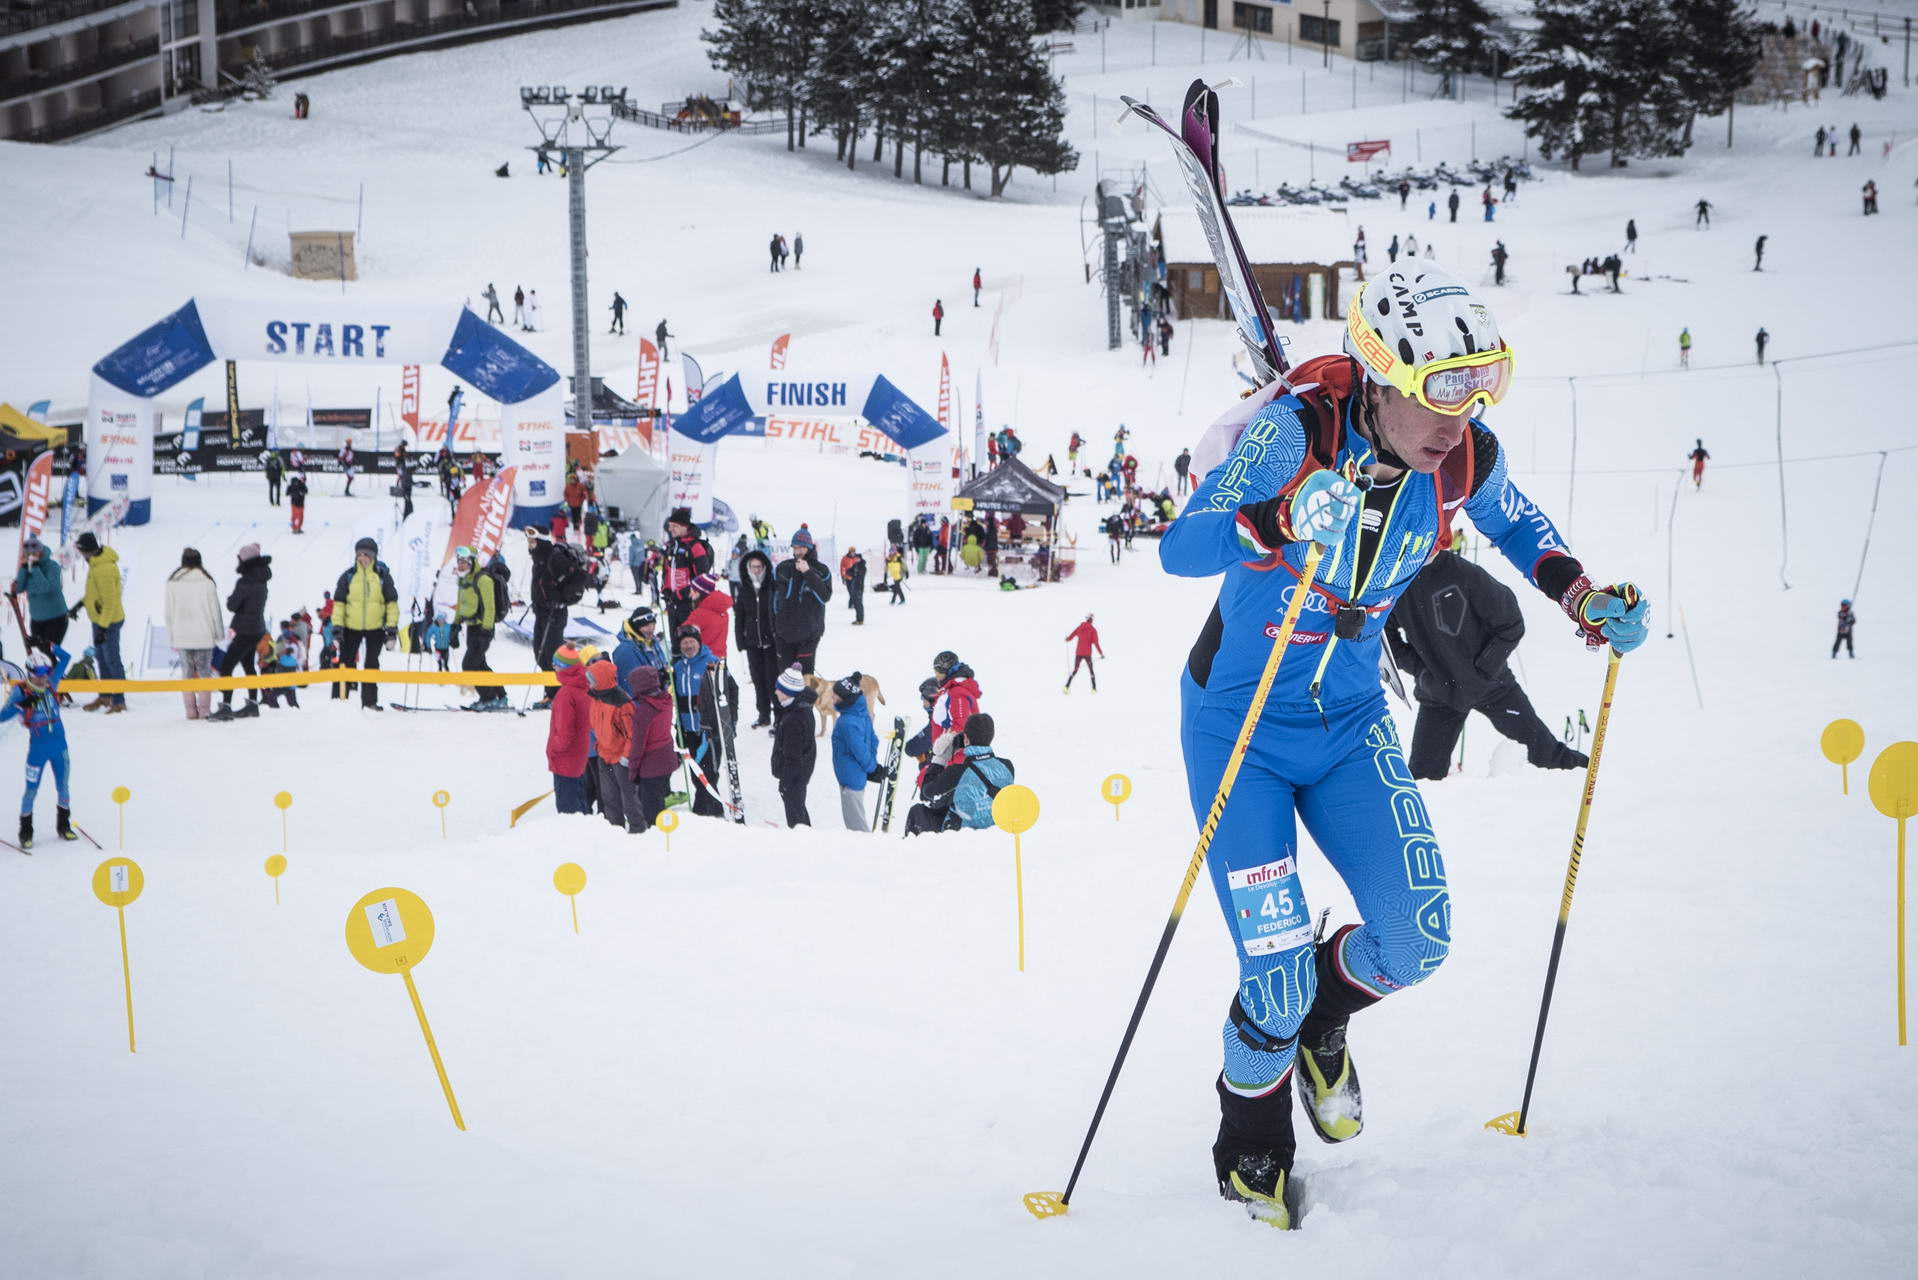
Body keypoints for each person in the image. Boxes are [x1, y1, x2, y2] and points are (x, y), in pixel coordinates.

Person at [1159, 258, 1647, 1227]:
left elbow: (1519, 526)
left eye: (1479, 388)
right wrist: (1276, 517)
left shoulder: (1459, 459)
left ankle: (1320, 1022)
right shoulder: (1295, 430)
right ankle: (1250, 1133)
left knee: (1414, 938)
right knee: (1273, 968)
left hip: (1346, 725)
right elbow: (1183, 544)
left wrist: (1583, 597)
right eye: (1436, 392)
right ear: (1379, 377)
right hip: (1240, 727)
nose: (1455, 418)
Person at [1385, 549, 1589, 780]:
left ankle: (1596, 780)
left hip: (1493, 686)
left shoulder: (1463, 573)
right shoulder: (1396, 584)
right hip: (1439, 695)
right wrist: (1424, 672)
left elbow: (1511, 623)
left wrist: (1483, 669)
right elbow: (1386, 639)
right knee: (1422, 779)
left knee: (1547, 756)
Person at [2, 646, 75, 848]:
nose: (43, 678)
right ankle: (26, 832)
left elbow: (66, 657)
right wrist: (23, 704)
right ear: (30, 673)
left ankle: (64, 826)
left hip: (60, 747)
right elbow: (2, 716)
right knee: (31, 790)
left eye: (46, 673)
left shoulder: (52, 683)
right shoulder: (20, 691)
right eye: (38, 674)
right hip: (38, 749)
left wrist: (49, 645)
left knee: (63, 787)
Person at [905, 713, 1013, 835]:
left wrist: (939, 760)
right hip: (994, 831)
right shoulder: (1007, 767)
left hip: (963, 838)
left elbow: (928, 797)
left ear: (965, 739)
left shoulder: (957, 773)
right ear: (991, 736)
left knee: (917, 811)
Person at [331, 536, 398, 712]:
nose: (363, 558)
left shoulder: (382, 576)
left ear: (373, 556)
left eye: (367, 554)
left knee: (371, 663)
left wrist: (391, 629)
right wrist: (337, 627)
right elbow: (339, 604)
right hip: (351, 627)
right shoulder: (348, 576)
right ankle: (338, 698)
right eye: (360, 554)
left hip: (375, 628)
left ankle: (369, 702)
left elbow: (391, 604)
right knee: (344, 662)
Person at [671, 624, 725, 818]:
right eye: (684, 643)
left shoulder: (711, 662)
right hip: (688, 729)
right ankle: (715, 810)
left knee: (709, 773)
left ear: (699, 643)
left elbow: (727, 691)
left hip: (707, 729)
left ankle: (703, 812)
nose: (688, 646)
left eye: (692, 642)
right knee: (696, 773)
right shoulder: (677, 667)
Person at [163, 547, 223, 721]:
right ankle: (204, 710)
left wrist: (171, 637)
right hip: (204, 636)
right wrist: (218, 634)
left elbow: (168, 613)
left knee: (187, 674)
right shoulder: (207, 582)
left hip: (181, 636)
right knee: (205, 673)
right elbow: (215, 611)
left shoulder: (172, 583)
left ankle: (190, 711)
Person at [71, 533, 127, 713]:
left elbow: (110, 602)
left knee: (112, 660)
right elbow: (95, 594)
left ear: (86, 550)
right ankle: (105, 695)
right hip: (100, 620)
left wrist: (102, 628)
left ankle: (119, 700)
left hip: (109, 622)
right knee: (102, 659)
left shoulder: (104, 569)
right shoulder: (95, 564)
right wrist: (80, 604)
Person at [585, 655, 639, 830]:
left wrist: (626, 756)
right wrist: (598, 747)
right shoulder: (595, 698)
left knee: (629, 798)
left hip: (620, 758)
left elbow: (633, 733)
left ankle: (639, 830)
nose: (589, 684)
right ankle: (615, 831)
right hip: (604, 755)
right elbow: (595, 725)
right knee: (609, 797)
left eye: (592, 680)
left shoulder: (622, 702)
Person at [527, 526, 586, 686]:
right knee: (539, 655)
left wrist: (561, 598)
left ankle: (559, 693)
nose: (530, 544)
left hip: (555, 613)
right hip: (541, 613)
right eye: (529, 541)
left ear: (541, 541)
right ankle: (550, 693)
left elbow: (580, 576)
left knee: (553, 657)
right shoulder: (538, 558)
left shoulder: (554, 557)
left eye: (533, 541)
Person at [452, 545, 508, 708]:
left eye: (464, 562)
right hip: (471, 628)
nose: (461, 565)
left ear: (472, 562)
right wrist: (455, 626)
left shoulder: (483, 580)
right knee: (480, 664)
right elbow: (461, 604)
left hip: (483, 628)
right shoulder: (463, 579)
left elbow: (490, 607)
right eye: (459, 562)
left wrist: (486, 631)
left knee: (469, 665)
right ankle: (501, 696)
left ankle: (488, 699)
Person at [771, 526, 831, 674]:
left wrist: (808, 573)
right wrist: (775, 628)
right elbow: (773, 600)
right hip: (784, 634)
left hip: (808, 636)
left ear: (809, 547)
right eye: (795, 547)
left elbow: (825, 596)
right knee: (785, 680)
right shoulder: (783, 568)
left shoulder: (821, 570)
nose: (797, 551)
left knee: (805, 680)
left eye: (801, 548)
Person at [830, 671, 883, 830]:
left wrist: (872, 768)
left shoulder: (846, 722)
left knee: (856, 826)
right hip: (857, 774)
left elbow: (859, 750)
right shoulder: (862, 713)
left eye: (836, 696)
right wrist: (872, 765)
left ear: (846, 700)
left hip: (849, 777)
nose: (832, 697)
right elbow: (872, 739)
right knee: (856, 818)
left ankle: (865, 852)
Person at [733, 551, 778, 727]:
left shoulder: (772, 586)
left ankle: (778, 716)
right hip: (752, 642)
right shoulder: (744, 588)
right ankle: (763, 714)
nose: (757, 570)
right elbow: (739, 617)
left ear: (765, 567)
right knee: (758, 679)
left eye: (759, 566)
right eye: (753, 566)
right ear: (748, 568)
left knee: (772, 680)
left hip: (771, 642)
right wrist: (740, 639)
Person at [545, 645, 592, 814]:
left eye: (555, 665)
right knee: (580, 801)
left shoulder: (566, 694)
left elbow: (565, 732)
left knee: (568, 809)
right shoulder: (584, 686)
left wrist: (555, 749)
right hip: (580, 754)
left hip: (565, 759)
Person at [770, 664, 817, 827]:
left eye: (778, 689)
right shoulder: (800, 708)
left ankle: (803, 844)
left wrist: (785, 782)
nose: (775, 692)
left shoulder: (793, 719)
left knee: (796, 817)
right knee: (799, 809)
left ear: (788, 692)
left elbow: (793, 756)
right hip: (800, 772)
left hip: (794, 776)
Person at [660, 507, 714, 631]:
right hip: (672, 602)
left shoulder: (696, 547)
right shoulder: (672, 545)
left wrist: (681, 594)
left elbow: (702, 579)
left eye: (674, 526)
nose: (670, 529)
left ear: (684, 526)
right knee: (676, 644)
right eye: (670, 525)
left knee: (689, 642)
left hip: (689, 604)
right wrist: (665, 590)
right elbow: (667, 572)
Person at [13, 536, 69, 652]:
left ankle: (56, 670)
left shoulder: (52, 567)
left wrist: (35, 569)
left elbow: (46, 588)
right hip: (37, 619)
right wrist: (23, 569)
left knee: (48, 653)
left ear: (41, 552)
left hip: (56, 618)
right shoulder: (27, 568)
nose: (31, 556)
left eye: (34, 553)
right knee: (40, 655)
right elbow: (18, 589)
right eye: (28, 554)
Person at [1063, 614, 1104, 692]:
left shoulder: (1080, 627)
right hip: (1087, 654)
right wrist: (1101, 653)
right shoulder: (1093, 630)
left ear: (1086, 619)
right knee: (1091, 670)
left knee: (1075, 670)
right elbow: (1096, 643)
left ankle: (1066, 686)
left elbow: (1072, 635)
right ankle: (1094, 688)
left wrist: (1067, 639)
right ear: (1091, 620)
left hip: (1078, 653)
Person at [841, 546, 867, 625]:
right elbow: (848, 571)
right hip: (853, 584)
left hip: (859, 586)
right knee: (856, 602)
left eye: (857, 558)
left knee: (858, 603)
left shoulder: (862, 567)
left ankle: (860, 619)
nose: (856, 559)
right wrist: (846, 576)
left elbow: (859, 575)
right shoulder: (854, 565)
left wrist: (854, 573)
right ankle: (858, 618)